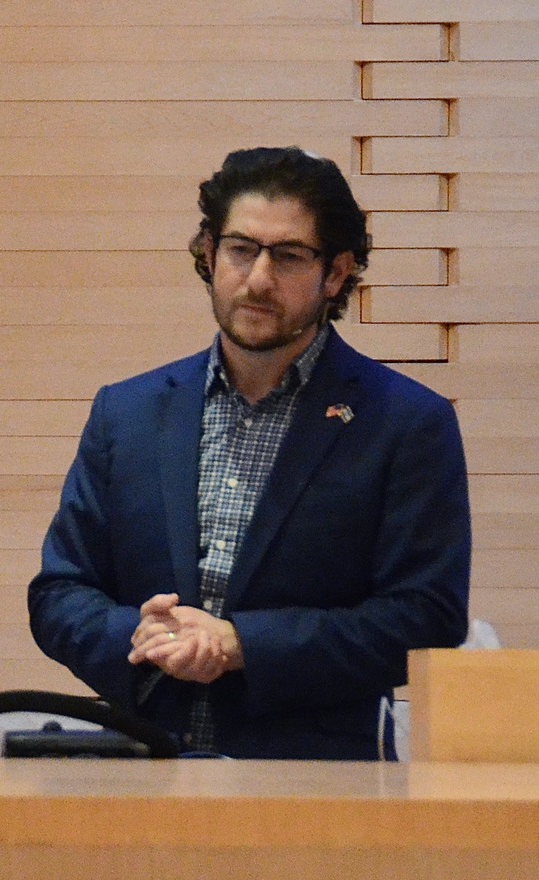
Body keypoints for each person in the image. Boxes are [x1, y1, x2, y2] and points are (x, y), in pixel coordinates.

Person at [28, 146, 471, 760]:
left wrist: (244, 645)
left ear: (337, 273)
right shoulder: (127, 413)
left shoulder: (405, 423)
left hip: (320, 794)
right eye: (241, 250)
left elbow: (426, 618)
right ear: (210, 255)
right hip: (141, 779)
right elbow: (59, 594)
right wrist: (141, 634)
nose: (259, 278)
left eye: (288, 256)